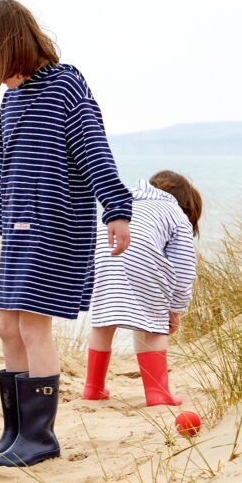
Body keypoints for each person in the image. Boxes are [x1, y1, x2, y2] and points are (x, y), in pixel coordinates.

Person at [0, 0, 133, 467]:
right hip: (19, 229)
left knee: (33, 325)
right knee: (6, 325)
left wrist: (116, 209)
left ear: (7, 45)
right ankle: (16, 430)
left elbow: (93, 150)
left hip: (54, 225)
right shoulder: (11, 101)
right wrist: (3, 222)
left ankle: (40, 437)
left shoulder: (65, 86)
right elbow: (8, 169)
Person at [83, 170, 201, 406]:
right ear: (187, 205)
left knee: (103, 323)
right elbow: (184, 266)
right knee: (155, 325)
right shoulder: (175, 213)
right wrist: (174, 309)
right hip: (143, 261)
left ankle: (93, 389)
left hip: (104, 260)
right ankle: (157, 392)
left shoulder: (123, 202)